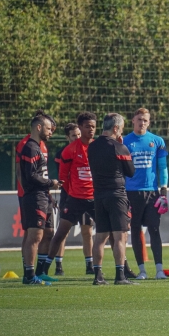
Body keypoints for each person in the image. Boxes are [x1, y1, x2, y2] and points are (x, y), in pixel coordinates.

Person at [47, 112, 124, 278]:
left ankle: (123, 269)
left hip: (95, 198)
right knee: (61, 233)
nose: (91, 129)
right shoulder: (69, 150)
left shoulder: (97, 146)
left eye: (94, 126)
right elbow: (63, 178)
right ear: (80, 127)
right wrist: (71, 193)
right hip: (74, 198)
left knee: (109, 233)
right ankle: (44, 268)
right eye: (88, 126)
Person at [88, 113, 136, 285]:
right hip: (116, 195)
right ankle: (120, 275)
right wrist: (121, 146)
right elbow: (131, 171)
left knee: (100, 237)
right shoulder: (119, 147)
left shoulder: (92, 147)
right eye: (121, 128)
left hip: (98, 194)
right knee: (120, 236)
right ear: (115, 128)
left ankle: (98, 276)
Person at [123, 108, 169, 280]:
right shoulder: (125, 141)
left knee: (154, 228)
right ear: (133, 121)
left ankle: (159, 269)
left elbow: (162, 167)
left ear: (149, 122)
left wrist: (163, 191)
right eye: (139, 119)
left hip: (152, 192)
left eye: (145, 120)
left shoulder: (157, 141)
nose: (142, 123)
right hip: (131, 193)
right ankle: (142, 270)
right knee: (135, 230)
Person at [19, 114, 60, 284]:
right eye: (49, 128)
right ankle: (29, 276)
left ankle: (40, 272)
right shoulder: (30, 148)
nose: (51, 132)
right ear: (38, 127)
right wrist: (52, 183)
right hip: (34, 197)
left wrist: (49, 193)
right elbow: (30, 177)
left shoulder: (39, 147)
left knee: (48, 233)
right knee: (35, 236)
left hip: (44, 196)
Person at [50, 123, 85, 276]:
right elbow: (64, 177)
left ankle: (91, 264)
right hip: (69, 195)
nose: (77, 137)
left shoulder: (88, 149)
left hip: (86, 195)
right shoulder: (62, 153)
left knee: (88, 230)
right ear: (67, 137)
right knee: (63, 231)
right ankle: (58, 265)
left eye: (78, 134)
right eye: (73, 135)